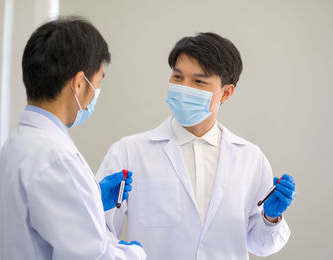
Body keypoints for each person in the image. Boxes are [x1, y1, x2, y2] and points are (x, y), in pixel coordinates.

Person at [96, 32, 296, 259]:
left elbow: (260, 245)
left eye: (199, 81)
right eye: (178, 77)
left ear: (226, 93)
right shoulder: (129, 152)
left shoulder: (250, 158)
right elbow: (96, 228)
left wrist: (270, 218)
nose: (184, 87)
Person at [0, 16, 146, 260]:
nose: (96, 93)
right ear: (80, 84)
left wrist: (92, 198)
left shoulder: (16, 145)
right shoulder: (56, 159)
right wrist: (135, 252)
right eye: (98, 81)